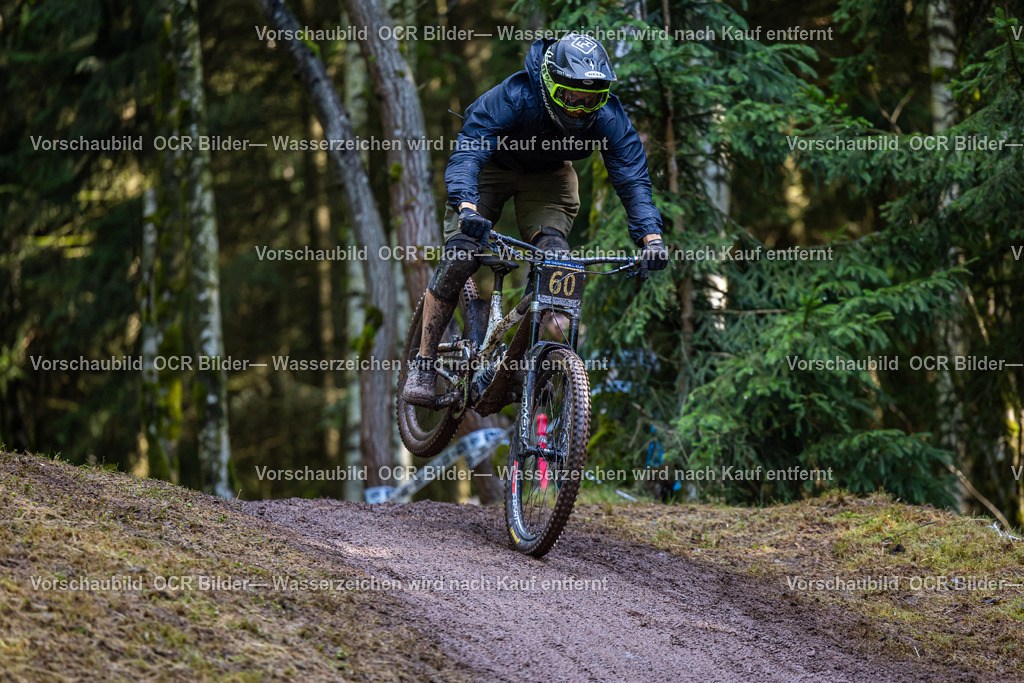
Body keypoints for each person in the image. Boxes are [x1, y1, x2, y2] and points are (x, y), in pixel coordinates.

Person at [402, 32, 669, 406]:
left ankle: (517, 363)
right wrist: (466, 206)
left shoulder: (608, 118)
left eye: (592, 100)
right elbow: (470, 150)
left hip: (548, 175)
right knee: (462, 254)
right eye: (571, 98)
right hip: (490, 166)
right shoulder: (513, 96)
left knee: (555, 260)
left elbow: (632, 179)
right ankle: (425, 362)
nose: (580, 110)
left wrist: (651, 238)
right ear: (549, 84)